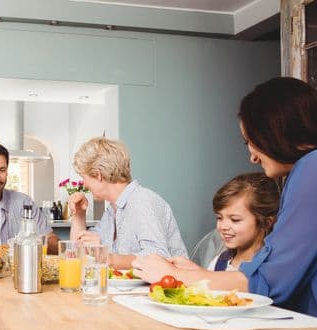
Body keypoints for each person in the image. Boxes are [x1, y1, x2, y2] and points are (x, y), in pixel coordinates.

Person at [133, 77, 317, 316]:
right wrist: (200, 275)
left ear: (276, 132)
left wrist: (174, 276)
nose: (252, 156)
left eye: (250, 141)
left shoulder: (310, 171)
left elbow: (268, 284)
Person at [68, 137, 188, 269]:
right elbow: (79, 253)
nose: (84, 185)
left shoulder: (141, 201)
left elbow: (160, 257)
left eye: (84, 178)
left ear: (98, 175)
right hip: (132, 289)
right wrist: (78, 214)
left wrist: (110, 258)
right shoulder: (111, 211)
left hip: (169, 288)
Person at [208, 173, 280, 271]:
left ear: (266, 222)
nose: (223, 227)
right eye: (219, 218)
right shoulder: (218, 263)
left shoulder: (273, 269)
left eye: (235, 220)